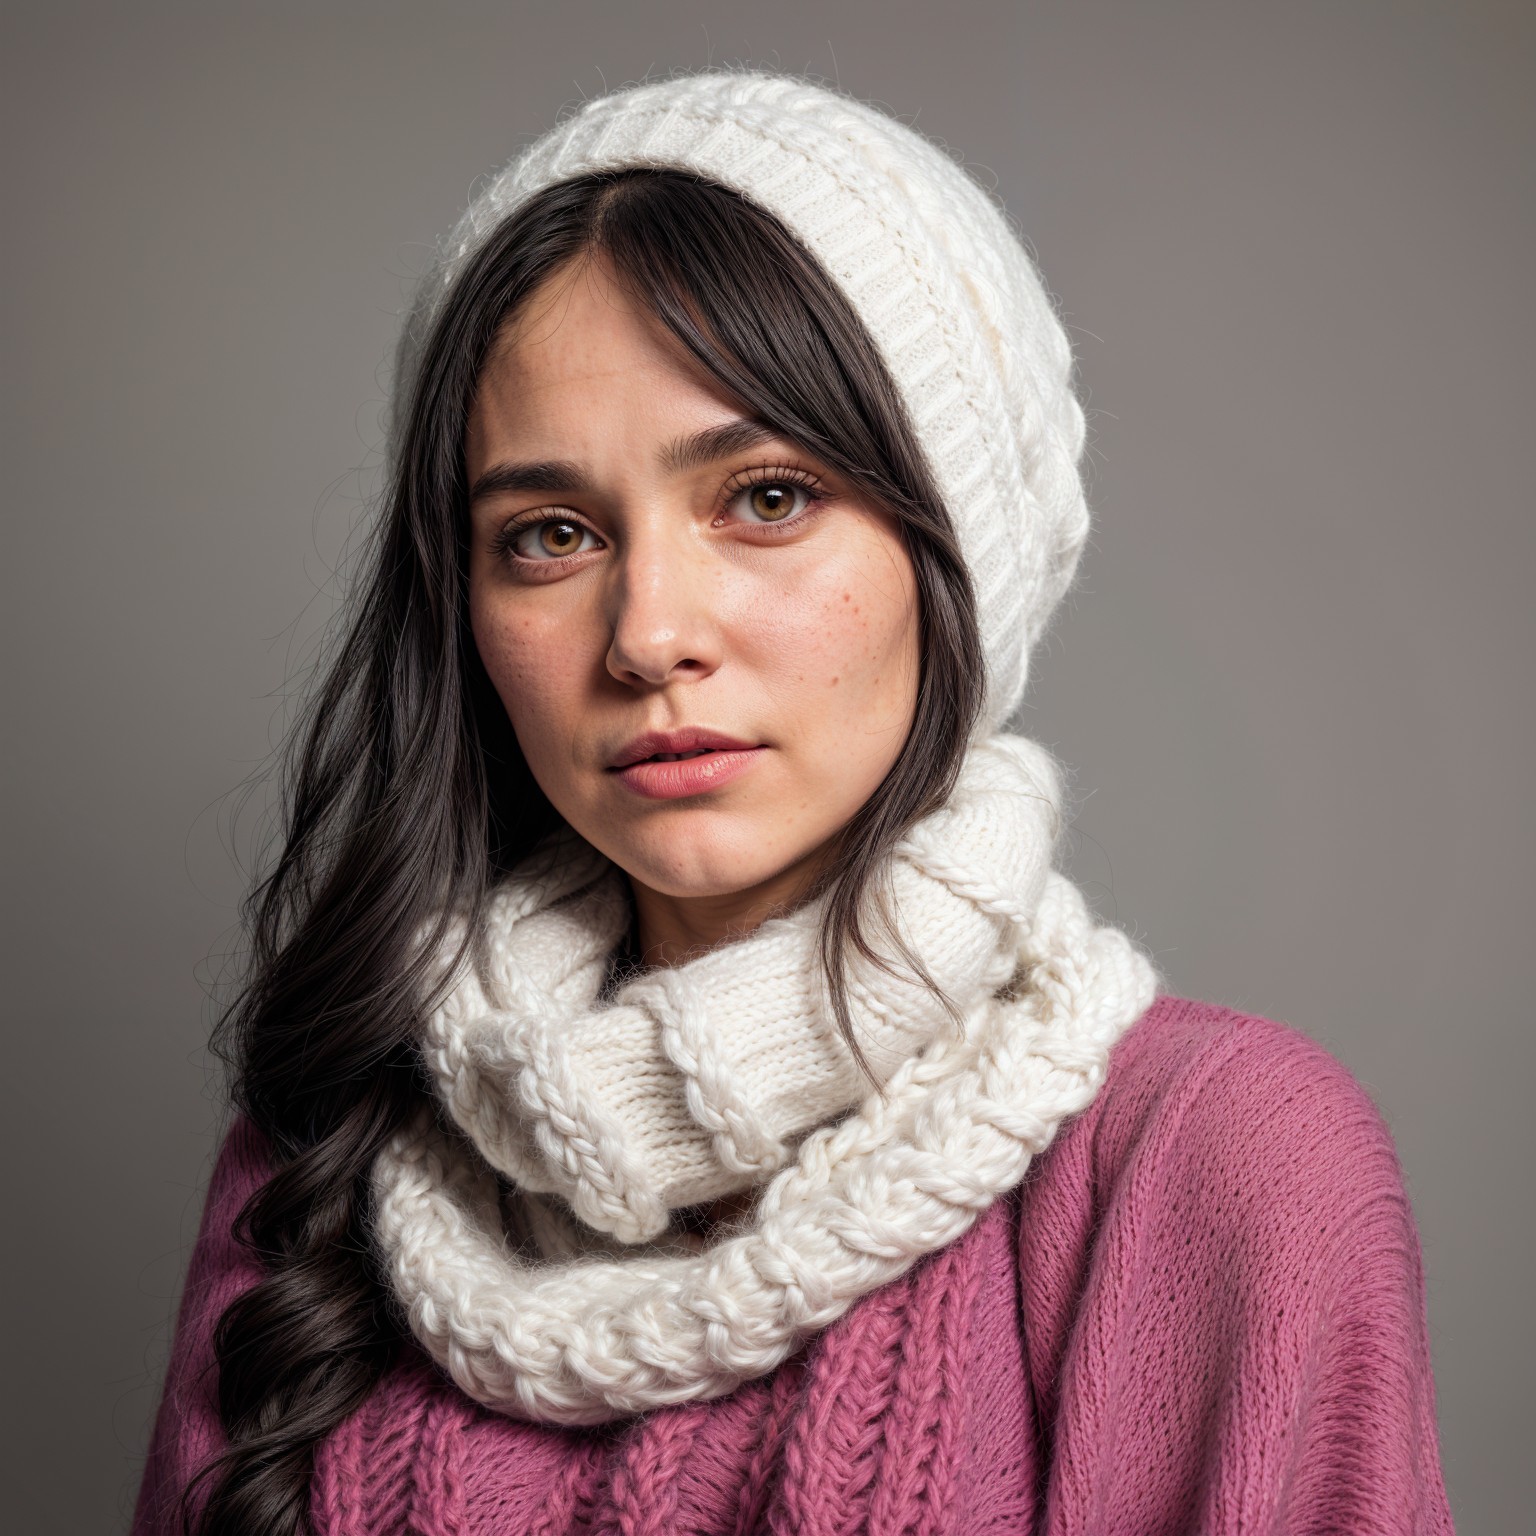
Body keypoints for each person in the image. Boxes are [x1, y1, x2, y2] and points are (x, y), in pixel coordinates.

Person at [131, 71, 1455, 1536]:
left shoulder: (1214, 1160)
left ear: (953, 552)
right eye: (551, 535)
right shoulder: (327, 1152)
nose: (647, 633)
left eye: (764, 497)